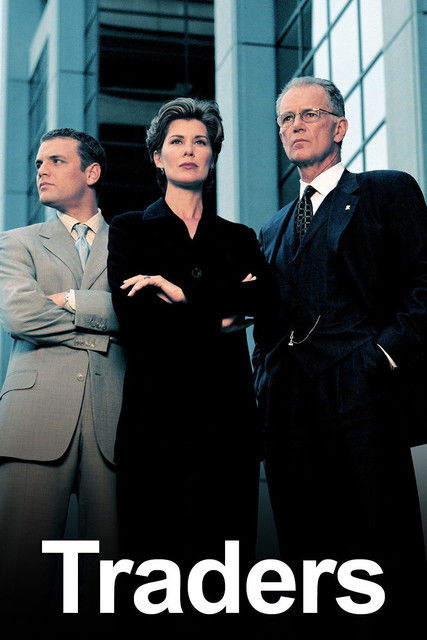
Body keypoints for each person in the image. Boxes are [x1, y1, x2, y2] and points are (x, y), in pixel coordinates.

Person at [253, 76, 427, 637]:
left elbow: (423, 282)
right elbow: (266, 322)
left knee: (383, 547)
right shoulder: (271, 228)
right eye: (286, 119)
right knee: (305, 561)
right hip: (290, 408)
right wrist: (265, 384)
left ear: (340, 127)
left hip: (362, 393)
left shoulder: (386, 191)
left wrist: (382, 355)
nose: (296, 126)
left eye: (309, 114)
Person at [107, 97, 273, 636]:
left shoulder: (239, 238)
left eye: (200, 141)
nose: (189, 150)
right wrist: (222, 310)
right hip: (154, 428)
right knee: (152, 584)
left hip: (229, 430)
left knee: (226, 583)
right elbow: (137, 321)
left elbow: (264, 302)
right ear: (157, 157)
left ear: (213, 156)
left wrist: (179, 294)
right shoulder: (130, 230)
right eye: (176, 141)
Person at [0, 128, 125, 629]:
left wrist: (73, 302)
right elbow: (22, 316)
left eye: (55, 160)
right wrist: (106, 329)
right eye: (38, 163)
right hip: (32, 422)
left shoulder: (132, 243)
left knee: (107, 585)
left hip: (113, 419)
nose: (41, 171)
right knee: (19, 578)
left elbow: (143, 316)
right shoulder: (17, 242)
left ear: (91, 172)